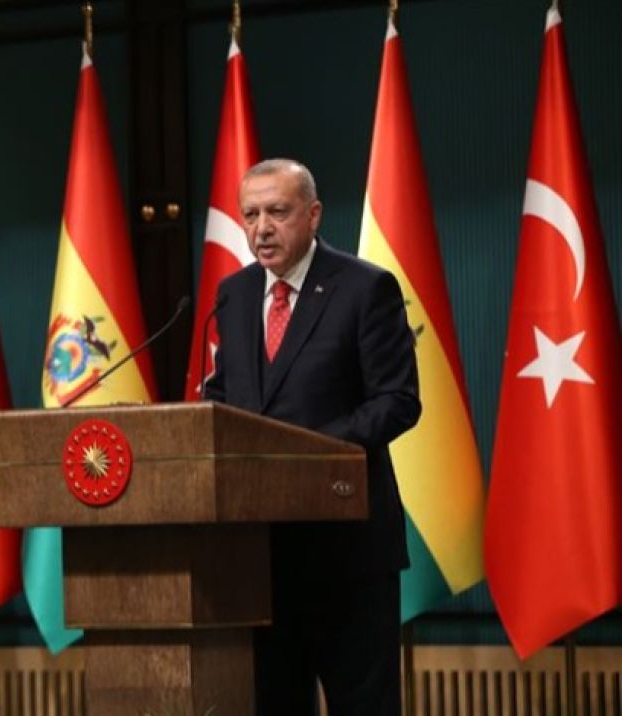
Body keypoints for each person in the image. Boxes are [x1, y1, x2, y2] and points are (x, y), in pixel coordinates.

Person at [202, 159, 421, 715]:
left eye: (277, 212)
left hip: (348, 554)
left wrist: (307, 453)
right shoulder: (235, 294)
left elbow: (397, 402)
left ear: (314, 214)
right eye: (250, 215)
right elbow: (225, 396)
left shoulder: (365, 288)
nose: (261, 229)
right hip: (259, 557)